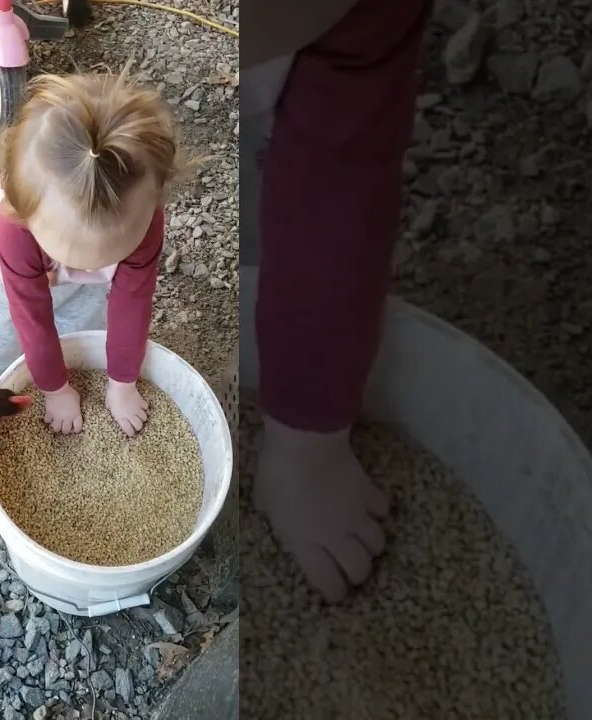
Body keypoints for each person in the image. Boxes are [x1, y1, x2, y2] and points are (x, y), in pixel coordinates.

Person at [243, 0, 431, 603]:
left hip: (332, 21)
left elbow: (337, 187)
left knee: (336, 134)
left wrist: (307, 442)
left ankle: (303, 449)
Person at [0, 71, 192, 438]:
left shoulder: (142, 216)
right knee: (4, 334)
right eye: (79, 257)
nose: (91, 266)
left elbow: (132, 300)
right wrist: (55, 390)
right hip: (8, 265)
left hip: (62, 255)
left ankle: (77, 359)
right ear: (25, 214)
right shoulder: (13, 227)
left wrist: (122, 384)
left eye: (105, 257)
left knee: (86, 322)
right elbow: (31, 315)